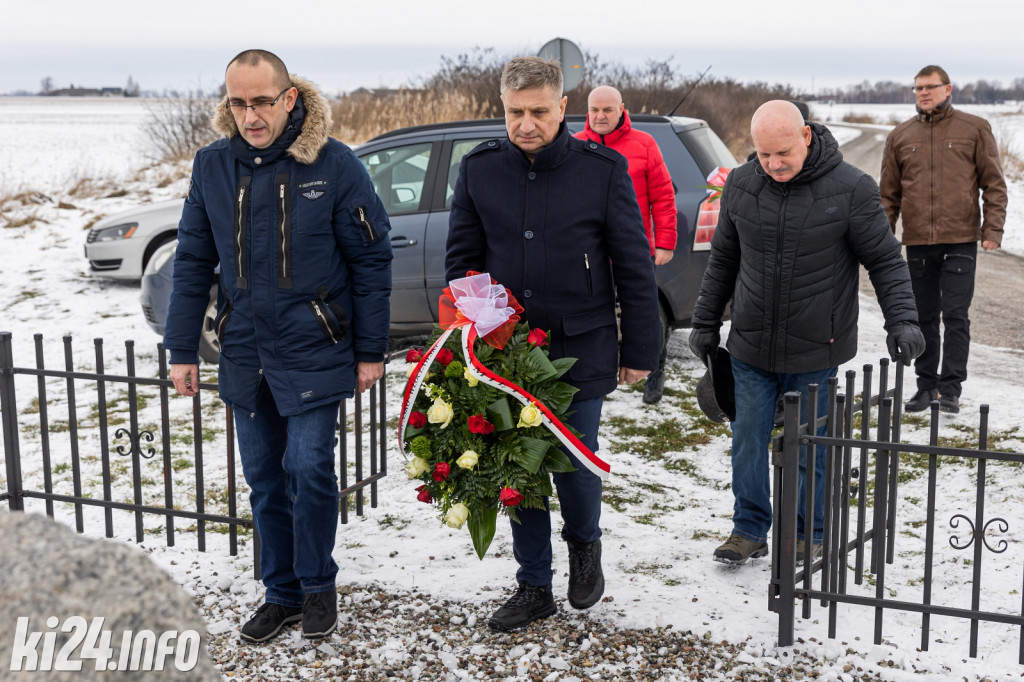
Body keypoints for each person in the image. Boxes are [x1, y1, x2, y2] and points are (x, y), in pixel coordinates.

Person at [164, 49, 393, 642]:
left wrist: (371, 350)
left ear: (289, 98)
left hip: (314, 344)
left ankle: (317, 587)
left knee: (309, 468)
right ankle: (281, 592)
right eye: (238, 103)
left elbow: (370, 261)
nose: (250, 115)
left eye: (262, 101)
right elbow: (192, 261)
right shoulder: (212, 166)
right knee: (265, 477)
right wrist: (181, 348)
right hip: (246, 349)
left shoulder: (335, 165)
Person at [446, 57, 661, 631]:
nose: (526, 124)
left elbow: (634, 267)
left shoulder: (603, 169)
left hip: (581, 346)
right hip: (505, 352)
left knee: (573, 457)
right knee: (519, 466)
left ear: (562, 107)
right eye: (515, 113)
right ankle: (533, 584)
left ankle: (584, 548)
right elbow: (462, 263)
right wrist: (489, 331)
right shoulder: (480, 169)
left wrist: (640, 351)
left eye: (539, 112)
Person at [688, 100, 924, 565]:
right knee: (747, 441)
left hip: (819, 345)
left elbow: (884, 261)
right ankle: (749, 529)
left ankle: (808, 532)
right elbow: (723, 260)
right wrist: (704, 321)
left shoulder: (851, 189)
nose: (773, 164)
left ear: (806, 137)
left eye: (782, 153)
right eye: (763, 154)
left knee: (808, 446)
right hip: (750, 343)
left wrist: (903, 320)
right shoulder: (741, 184)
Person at [880, 65, 1008, 415]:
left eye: (929, 87)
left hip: (961, 238)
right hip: (918, 241)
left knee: (955, 315)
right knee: (923, 317)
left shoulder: (974, 128)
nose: (922, 93)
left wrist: (992, 230)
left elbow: (993, 184)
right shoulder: (900, 136)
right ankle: (926, 387)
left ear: (947, 89)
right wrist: (882, 239)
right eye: (917, 88)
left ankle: (950, 388)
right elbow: (887, 196)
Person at [575, 85, 679, 404]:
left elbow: (663, 197)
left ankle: (654, 368)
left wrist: (665, 243)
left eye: (607, 109)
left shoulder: (644, 144)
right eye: (594, 110)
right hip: (589, 256)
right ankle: (600, 372)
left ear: (622, 109)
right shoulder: (574, 147)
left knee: (646, 314)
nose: (600, 116)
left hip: (634, 251)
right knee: (596, 317)